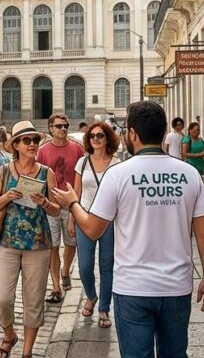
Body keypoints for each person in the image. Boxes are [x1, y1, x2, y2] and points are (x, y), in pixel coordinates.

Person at [52, 101, 204, 358]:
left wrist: (73, 203)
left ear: (132, 134)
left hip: (133, 287)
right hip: (176, 286)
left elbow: (93, 229)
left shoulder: (118, 174)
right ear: (164, 132)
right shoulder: (189, 174)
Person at [0, 120, 61, 358]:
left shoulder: (46, 173)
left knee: (34, 301)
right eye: (26, 141)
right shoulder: (4, 171)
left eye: (35, 140)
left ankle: (27, 352)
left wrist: (45, 202)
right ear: (16, 145)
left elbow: (57, 210)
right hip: (6, 244)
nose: (32, 144)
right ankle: (9, 334)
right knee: (3, 299)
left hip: (38, 246)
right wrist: (8, 196)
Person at [73, 121, 120, 328]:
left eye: (100, 135)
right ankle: (91, 296)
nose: (95, 139)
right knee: (84, 266)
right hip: (84, 217)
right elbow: (76, 193)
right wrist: (70, 218)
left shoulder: (117, 164)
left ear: (107, 138)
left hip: (109, 220)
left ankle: (104, 308)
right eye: (92, 136)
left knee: (107, 266)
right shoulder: (82, 163)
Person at [36, 113, 84, 301]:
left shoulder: (77, 149)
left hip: (71, 205)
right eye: (58, 126)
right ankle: (56, 287)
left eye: (65, 125)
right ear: (50, 129)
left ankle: (65, 270)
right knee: (53, 246)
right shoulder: (43, 150)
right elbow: (38, 176)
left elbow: (81, 177)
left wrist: (76, 203)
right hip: (50, 205)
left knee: (71, 243)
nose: (63, 129)